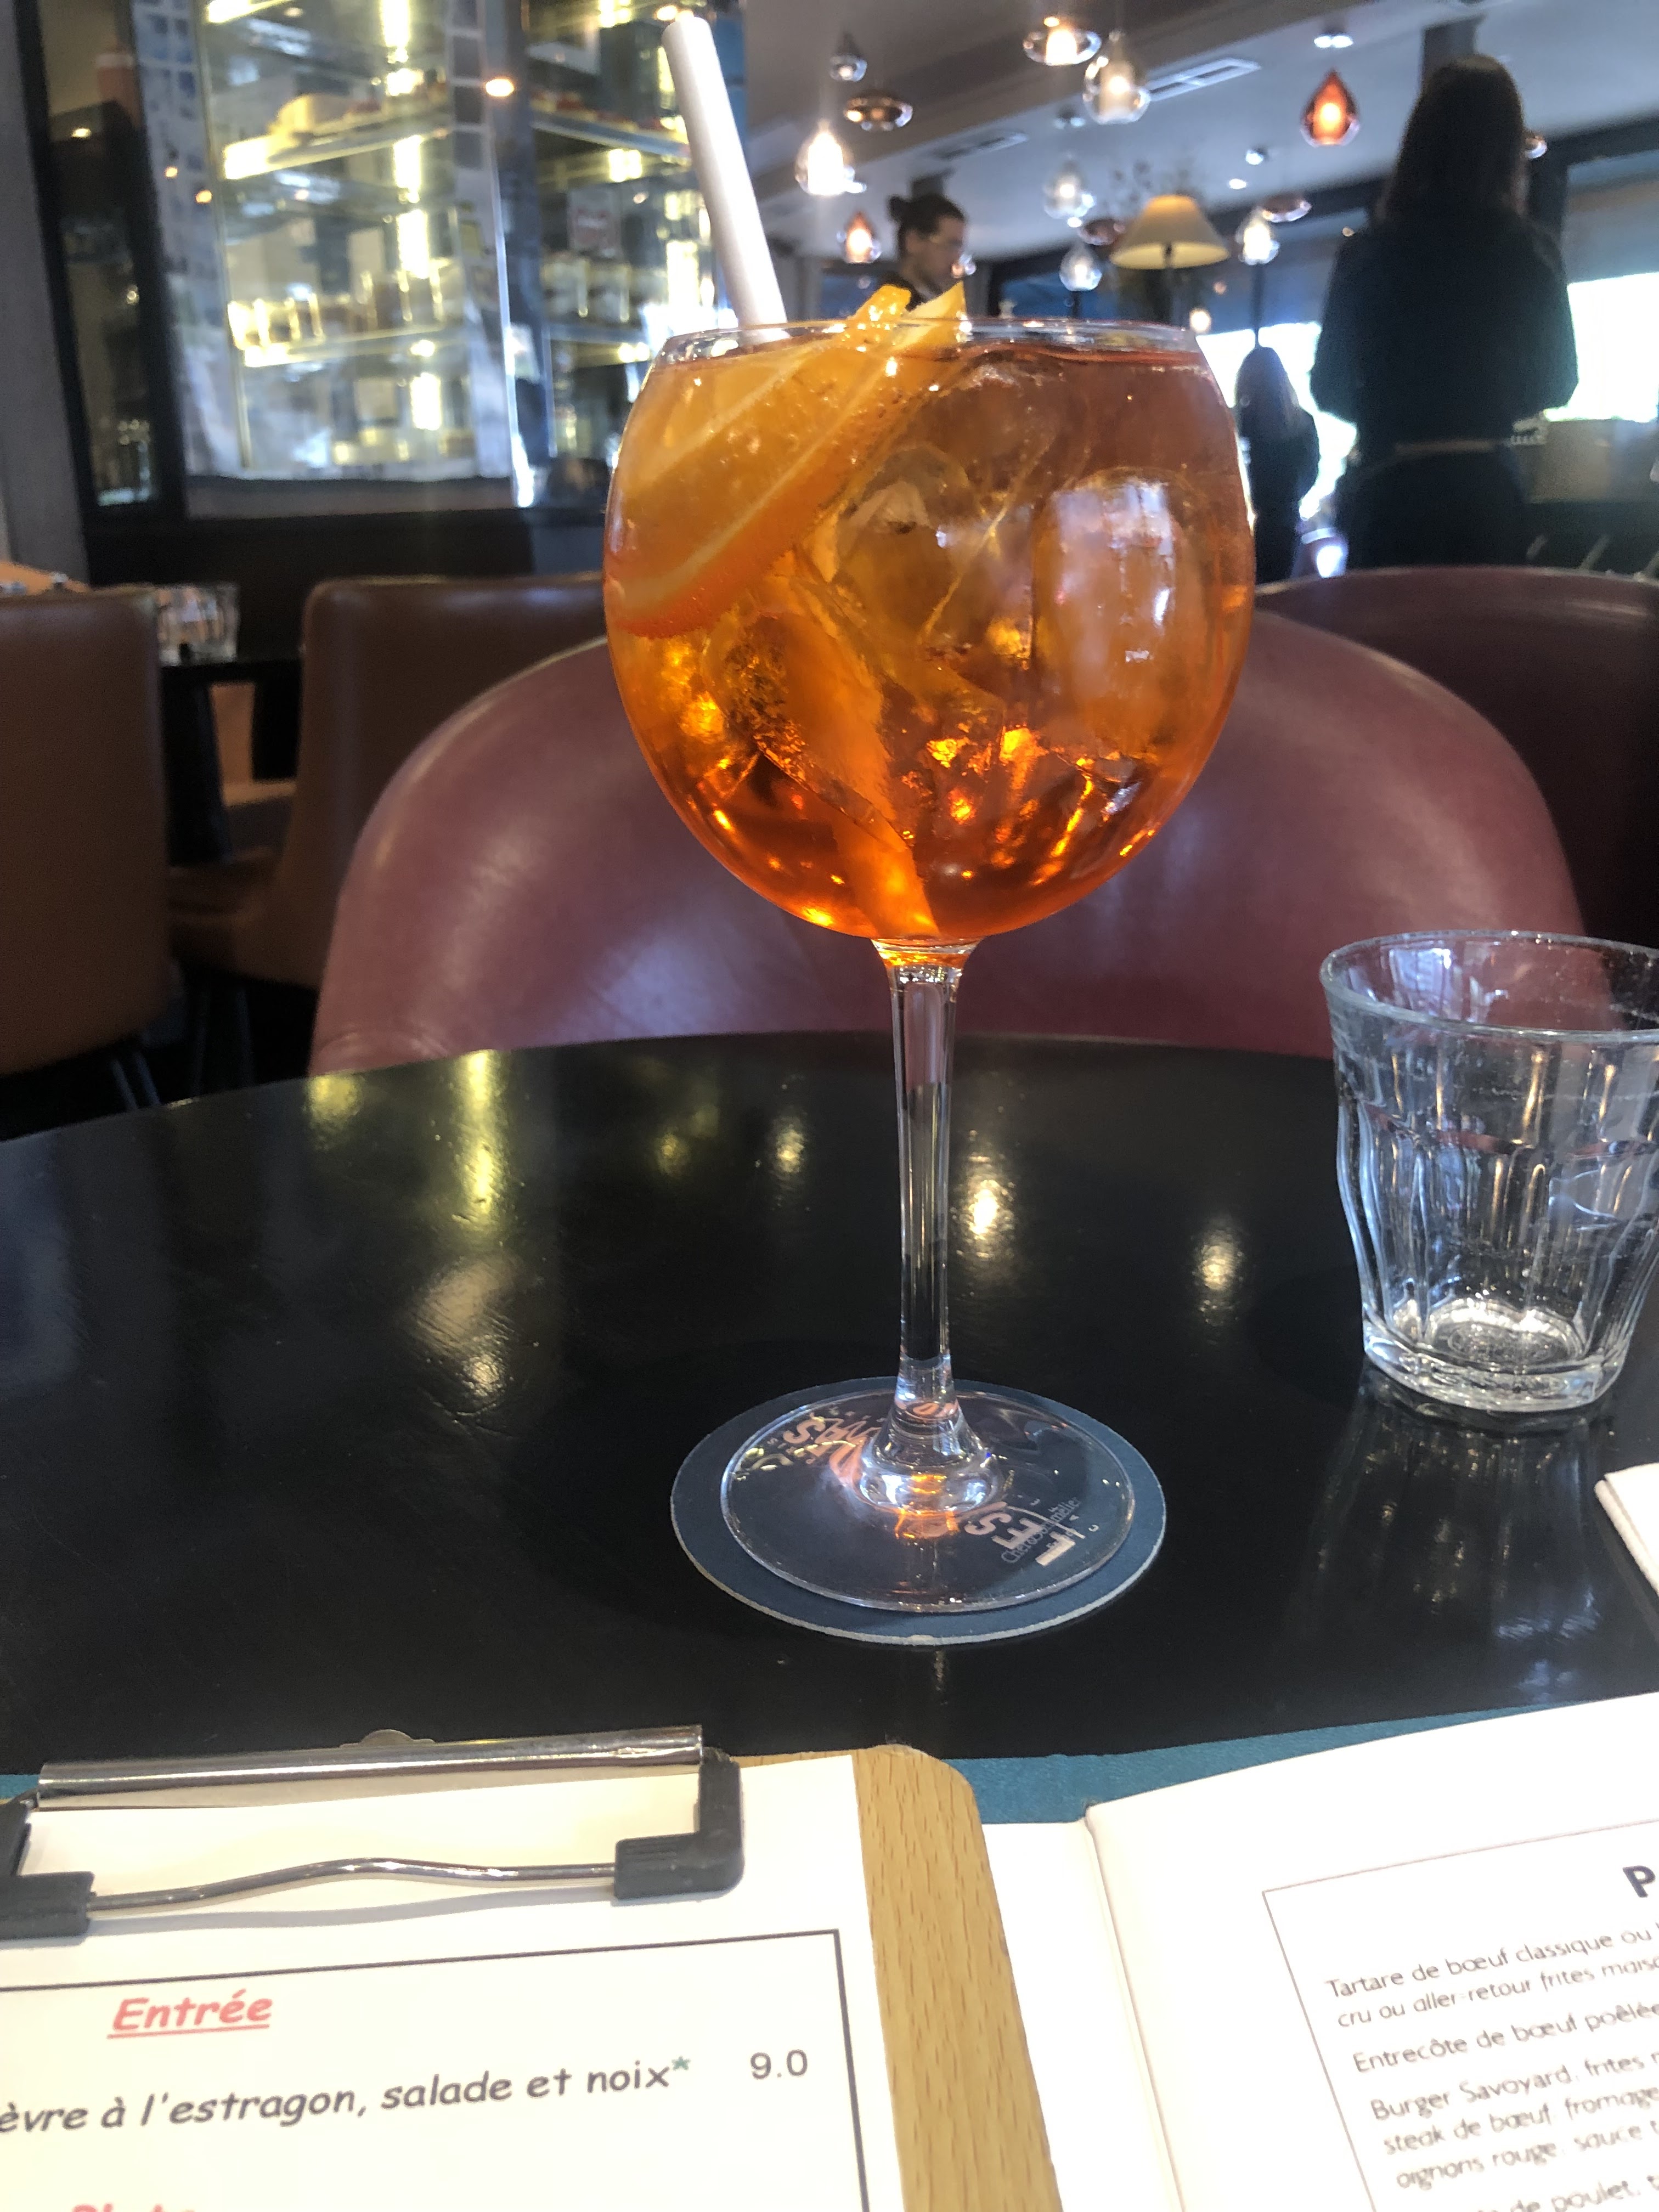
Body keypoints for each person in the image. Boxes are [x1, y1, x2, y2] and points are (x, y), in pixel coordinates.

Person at [1311, 56, 1577, 569]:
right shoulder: (1531, 251)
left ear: (1417, 142)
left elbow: (1329, 387)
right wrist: (1484, 402)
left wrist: (1392, 407)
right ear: (1509, 150)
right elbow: (1558, 381)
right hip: (1486, 494)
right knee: (1481, 623)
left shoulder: (1368, 253)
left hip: (1388, 490)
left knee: (1387, 624)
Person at [1235, 345, 1320, 583]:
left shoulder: (1244, 424)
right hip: (1290, 525)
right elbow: (1311, 473)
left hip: (1252, 527)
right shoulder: (1302, 422)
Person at [889, 191, 967, 306]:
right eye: (950, 245)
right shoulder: (890, 308)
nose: (956, 258)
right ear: (913, 241)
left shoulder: (933, 305)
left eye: (958, 248)